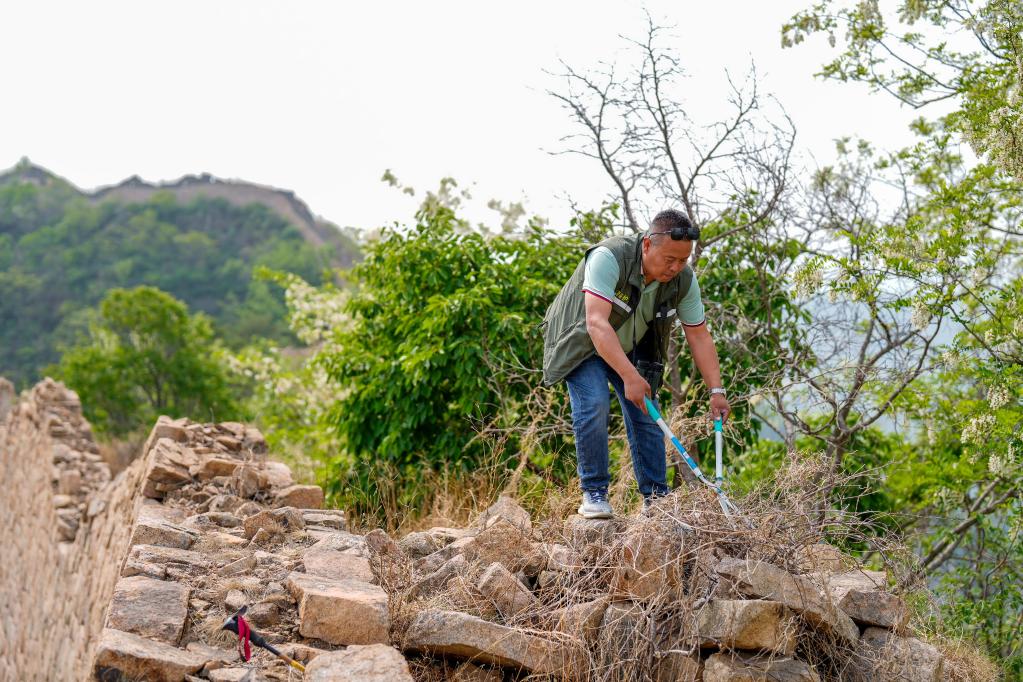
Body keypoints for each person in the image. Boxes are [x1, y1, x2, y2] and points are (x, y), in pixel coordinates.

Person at [541, 209, 730, 518]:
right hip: (583, 341)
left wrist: (716, 390)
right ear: (646, 245)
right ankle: (595, 494)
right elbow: (596, 323)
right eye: (669, 259)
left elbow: (699, 336)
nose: (675, 267)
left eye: (683, 260)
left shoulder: (683, 279)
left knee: (647, 413)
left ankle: (657, 500)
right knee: (594, 403)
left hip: (630, 344)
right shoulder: (609, 257)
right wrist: (629, 376)